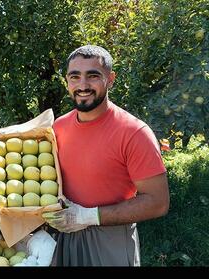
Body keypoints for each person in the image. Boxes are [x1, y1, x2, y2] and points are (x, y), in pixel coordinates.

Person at [42, 45, 169, 266]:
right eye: (75, 76)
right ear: (67, 81)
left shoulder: (134, 133)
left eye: (93, 76)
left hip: (110, 241)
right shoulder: (59, 127)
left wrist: (86, 216)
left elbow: (158, 202)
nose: (82, 85)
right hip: (65, 237)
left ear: (110, 79)